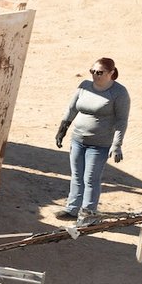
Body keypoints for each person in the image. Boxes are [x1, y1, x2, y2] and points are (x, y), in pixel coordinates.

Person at [55, 56, 130, 225]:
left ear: (111, 73)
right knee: (76, 176)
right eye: (93, 71)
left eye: (100, 72)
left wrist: (117, 145)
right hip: (78, 140)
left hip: (100, 144)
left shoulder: (119, 93)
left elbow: (121, 121)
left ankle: (88, 214)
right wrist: (62, 129)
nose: (96, 75)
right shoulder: (84, 86)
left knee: (91, 179)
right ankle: (72, 209)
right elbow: (72, 108)